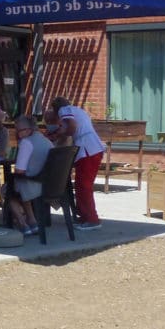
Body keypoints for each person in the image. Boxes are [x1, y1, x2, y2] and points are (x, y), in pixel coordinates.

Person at [49, 96, 104, 230]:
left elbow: (72, 127)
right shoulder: (77, 110)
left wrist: (62, 133)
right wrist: (59, 133)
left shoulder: (64, 110)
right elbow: (70, 128)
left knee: (84, 186)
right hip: (93, 147)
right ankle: (85, 216)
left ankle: (92, 219)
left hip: (87, 149)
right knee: (81, 185)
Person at [4, 115, 53, 235]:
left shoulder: (26, 143)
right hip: (46, 185)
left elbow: (19, 170)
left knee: (6, 189)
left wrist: (13, 175)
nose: (17, 134)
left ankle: (22, 223)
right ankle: (32, 221)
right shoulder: (47, 141)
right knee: (21, 186)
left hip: (32, 185)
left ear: (28, 130)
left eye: (19, 130)